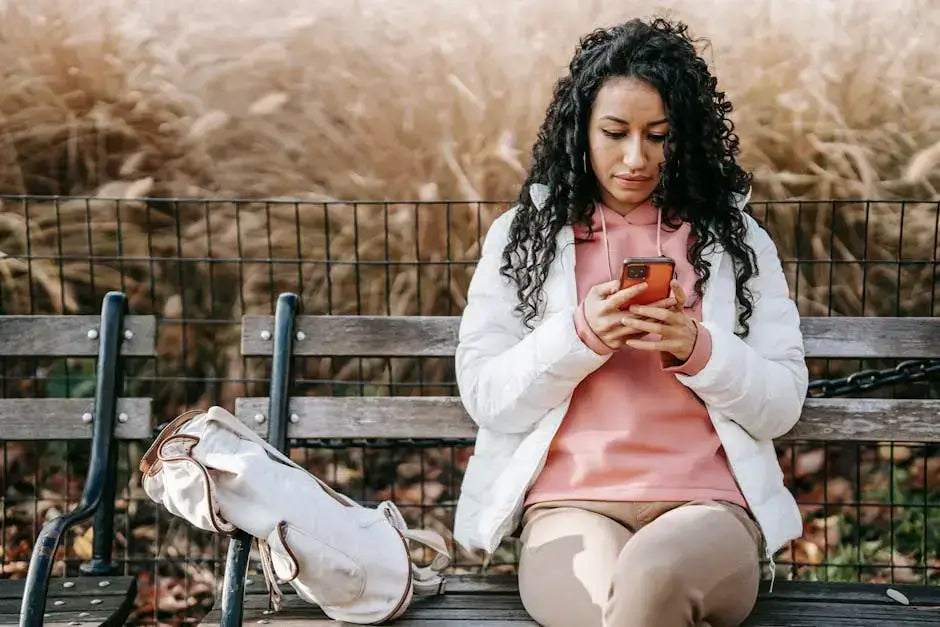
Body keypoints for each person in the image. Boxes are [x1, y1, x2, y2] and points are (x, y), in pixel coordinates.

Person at [452, 17, 807, 627]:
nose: (636, 159)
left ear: (687, 138)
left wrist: (700, 350)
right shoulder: (524, 238)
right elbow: (488, 398)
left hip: (708, 507)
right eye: (614, 133)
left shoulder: (734, 240)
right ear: (581, 132)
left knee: (653, 577)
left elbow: (783, 403)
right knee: (620, 604)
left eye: (660, 136)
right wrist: (580, 337)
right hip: (569, 509)